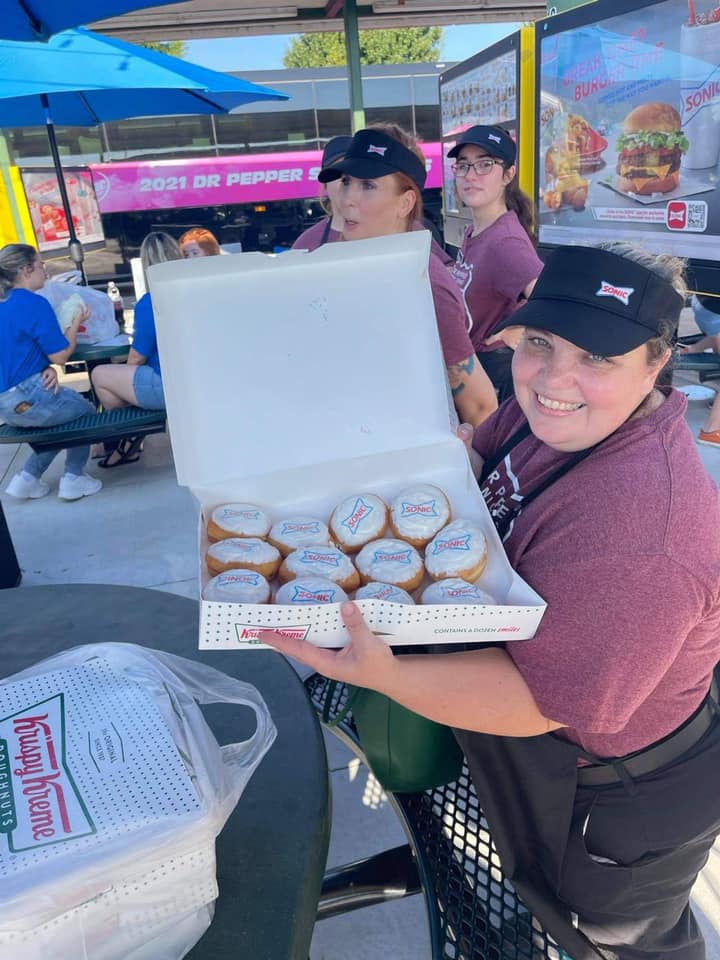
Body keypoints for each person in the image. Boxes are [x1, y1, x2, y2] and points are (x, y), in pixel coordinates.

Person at [262, 242, 720, 960]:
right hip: (543, 745)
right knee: (541, 909)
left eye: (598, 357)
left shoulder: (642, 533)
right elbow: (479, 461)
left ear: (657, 362)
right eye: (540, 343)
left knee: (620, 942)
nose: (554, 380)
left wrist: (385, 673)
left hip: (616, 793)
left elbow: (536, 703)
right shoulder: (551, 417)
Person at [318, 125, 497, 428]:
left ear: (405, 203)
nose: (347, 198)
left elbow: (480, 406)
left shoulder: (424, 283)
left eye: (368, 186)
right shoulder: (349, 263)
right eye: (347, 182)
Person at [448, 125, 543, 403]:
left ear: (508, 175)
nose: (470, 175)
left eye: (485, 164)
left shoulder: (505, 242)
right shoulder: (475, 231)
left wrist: (521, 330)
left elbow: (552, 301)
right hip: (472, 370)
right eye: (463, 165)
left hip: (493, 381)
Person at [0, 244, 102, 501]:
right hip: (29, 394)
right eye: (41, 264)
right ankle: (74, 477)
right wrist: (76, 319)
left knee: (59, 417)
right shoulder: (34, 303)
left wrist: (44, 367)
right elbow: (61, 355)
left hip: (7, 407)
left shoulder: (5, 303)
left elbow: (14, 350)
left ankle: (27, 478)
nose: (45, 270)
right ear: (26, 270)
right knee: (85, 412)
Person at [91, 232, 182, 467]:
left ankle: (129, 440)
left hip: (169, 385)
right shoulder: (194, 294)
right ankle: (129, 441)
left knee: (100, 375)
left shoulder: (151, 302)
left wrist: (125, 384)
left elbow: (137, 357)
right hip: (197, 380)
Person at [292, 135, 353, 252]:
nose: (345, 179)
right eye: (337, 172)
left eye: (352, 170)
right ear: (325, 185)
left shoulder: (385, 233)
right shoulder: (306, 245)